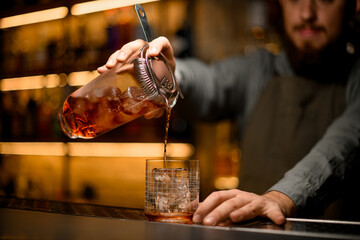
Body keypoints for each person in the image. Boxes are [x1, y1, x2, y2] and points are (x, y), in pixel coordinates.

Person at [98, 0, 360, 225]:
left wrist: (280, 199)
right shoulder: (258, 69)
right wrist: (167, 73)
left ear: (351, 6)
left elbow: (344, 144)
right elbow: (209, 82)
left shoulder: (355, 78)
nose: (307, 13)